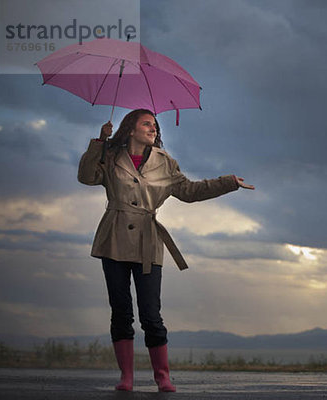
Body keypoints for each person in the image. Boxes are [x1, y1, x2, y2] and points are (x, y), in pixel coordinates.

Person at [78, 109, 254, 392]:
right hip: (113, 238)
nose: (153, 129)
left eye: (155, 126)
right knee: (121, 311)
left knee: (151, 313)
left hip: (148, 242)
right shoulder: (110, 154)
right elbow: (86, 177)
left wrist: (229, 182)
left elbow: (190, 192)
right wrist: (100, 141)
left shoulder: (165, 162)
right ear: (131, 129)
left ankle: (163, 377)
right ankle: (127, 377)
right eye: (147, 124)